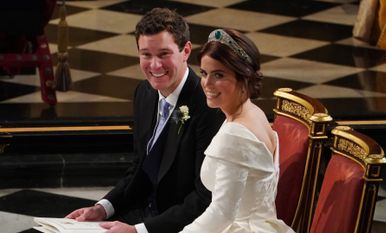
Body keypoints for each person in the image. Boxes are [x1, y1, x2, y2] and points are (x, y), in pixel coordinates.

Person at [65, 8, 223, 233]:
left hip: (179, 226)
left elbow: (203, 198)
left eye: (164, 54)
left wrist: (140, 230)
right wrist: (103, 207)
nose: (154, 65)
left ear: (186, 50)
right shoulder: (144, 93)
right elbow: (140, 167)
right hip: (139, 214)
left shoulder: (208, 106)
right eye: (146, 54)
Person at [180, 28, 295, 232]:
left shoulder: (236, 135)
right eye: (204, 73)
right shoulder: (255, 113)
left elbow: (222, 213)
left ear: (244, 76)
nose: (207, 83)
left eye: (219, 75)